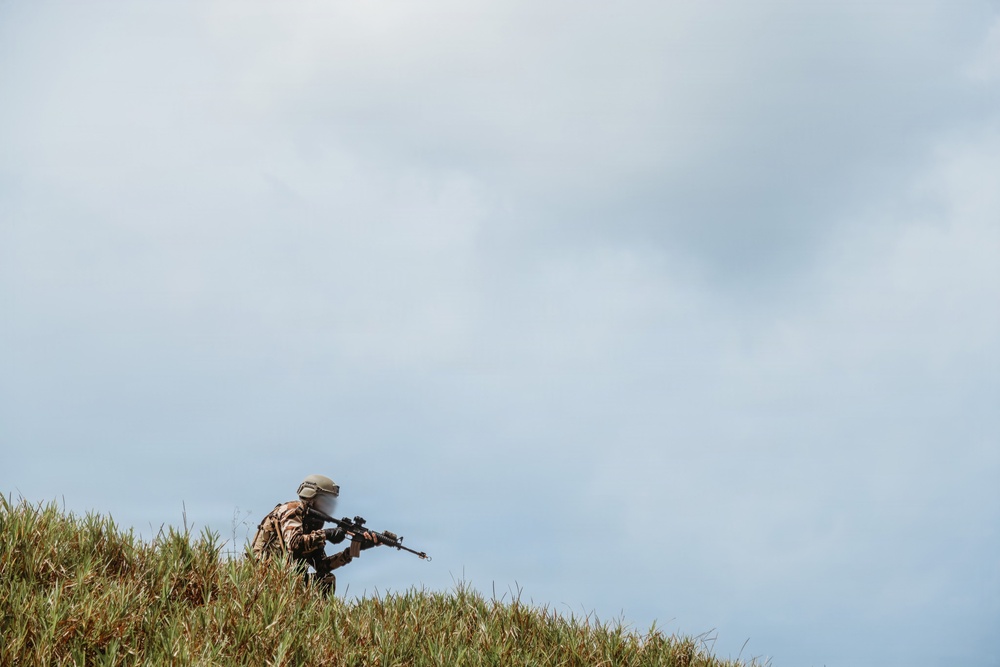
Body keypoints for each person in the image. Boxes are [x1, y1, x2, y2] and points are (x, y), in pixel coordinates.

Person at [250, 474, 379, 594]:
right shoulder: (291, 510)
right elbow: (295, 543)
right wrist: (326, 534)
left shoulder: (313, 523)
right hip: (264, 574)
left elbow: (322, 565)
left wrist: (354, 550)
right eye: (325, 502)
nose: (328, 507)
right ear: (311, 497)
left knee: (326, 579)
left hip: (289, 576)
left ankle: (318, 618)